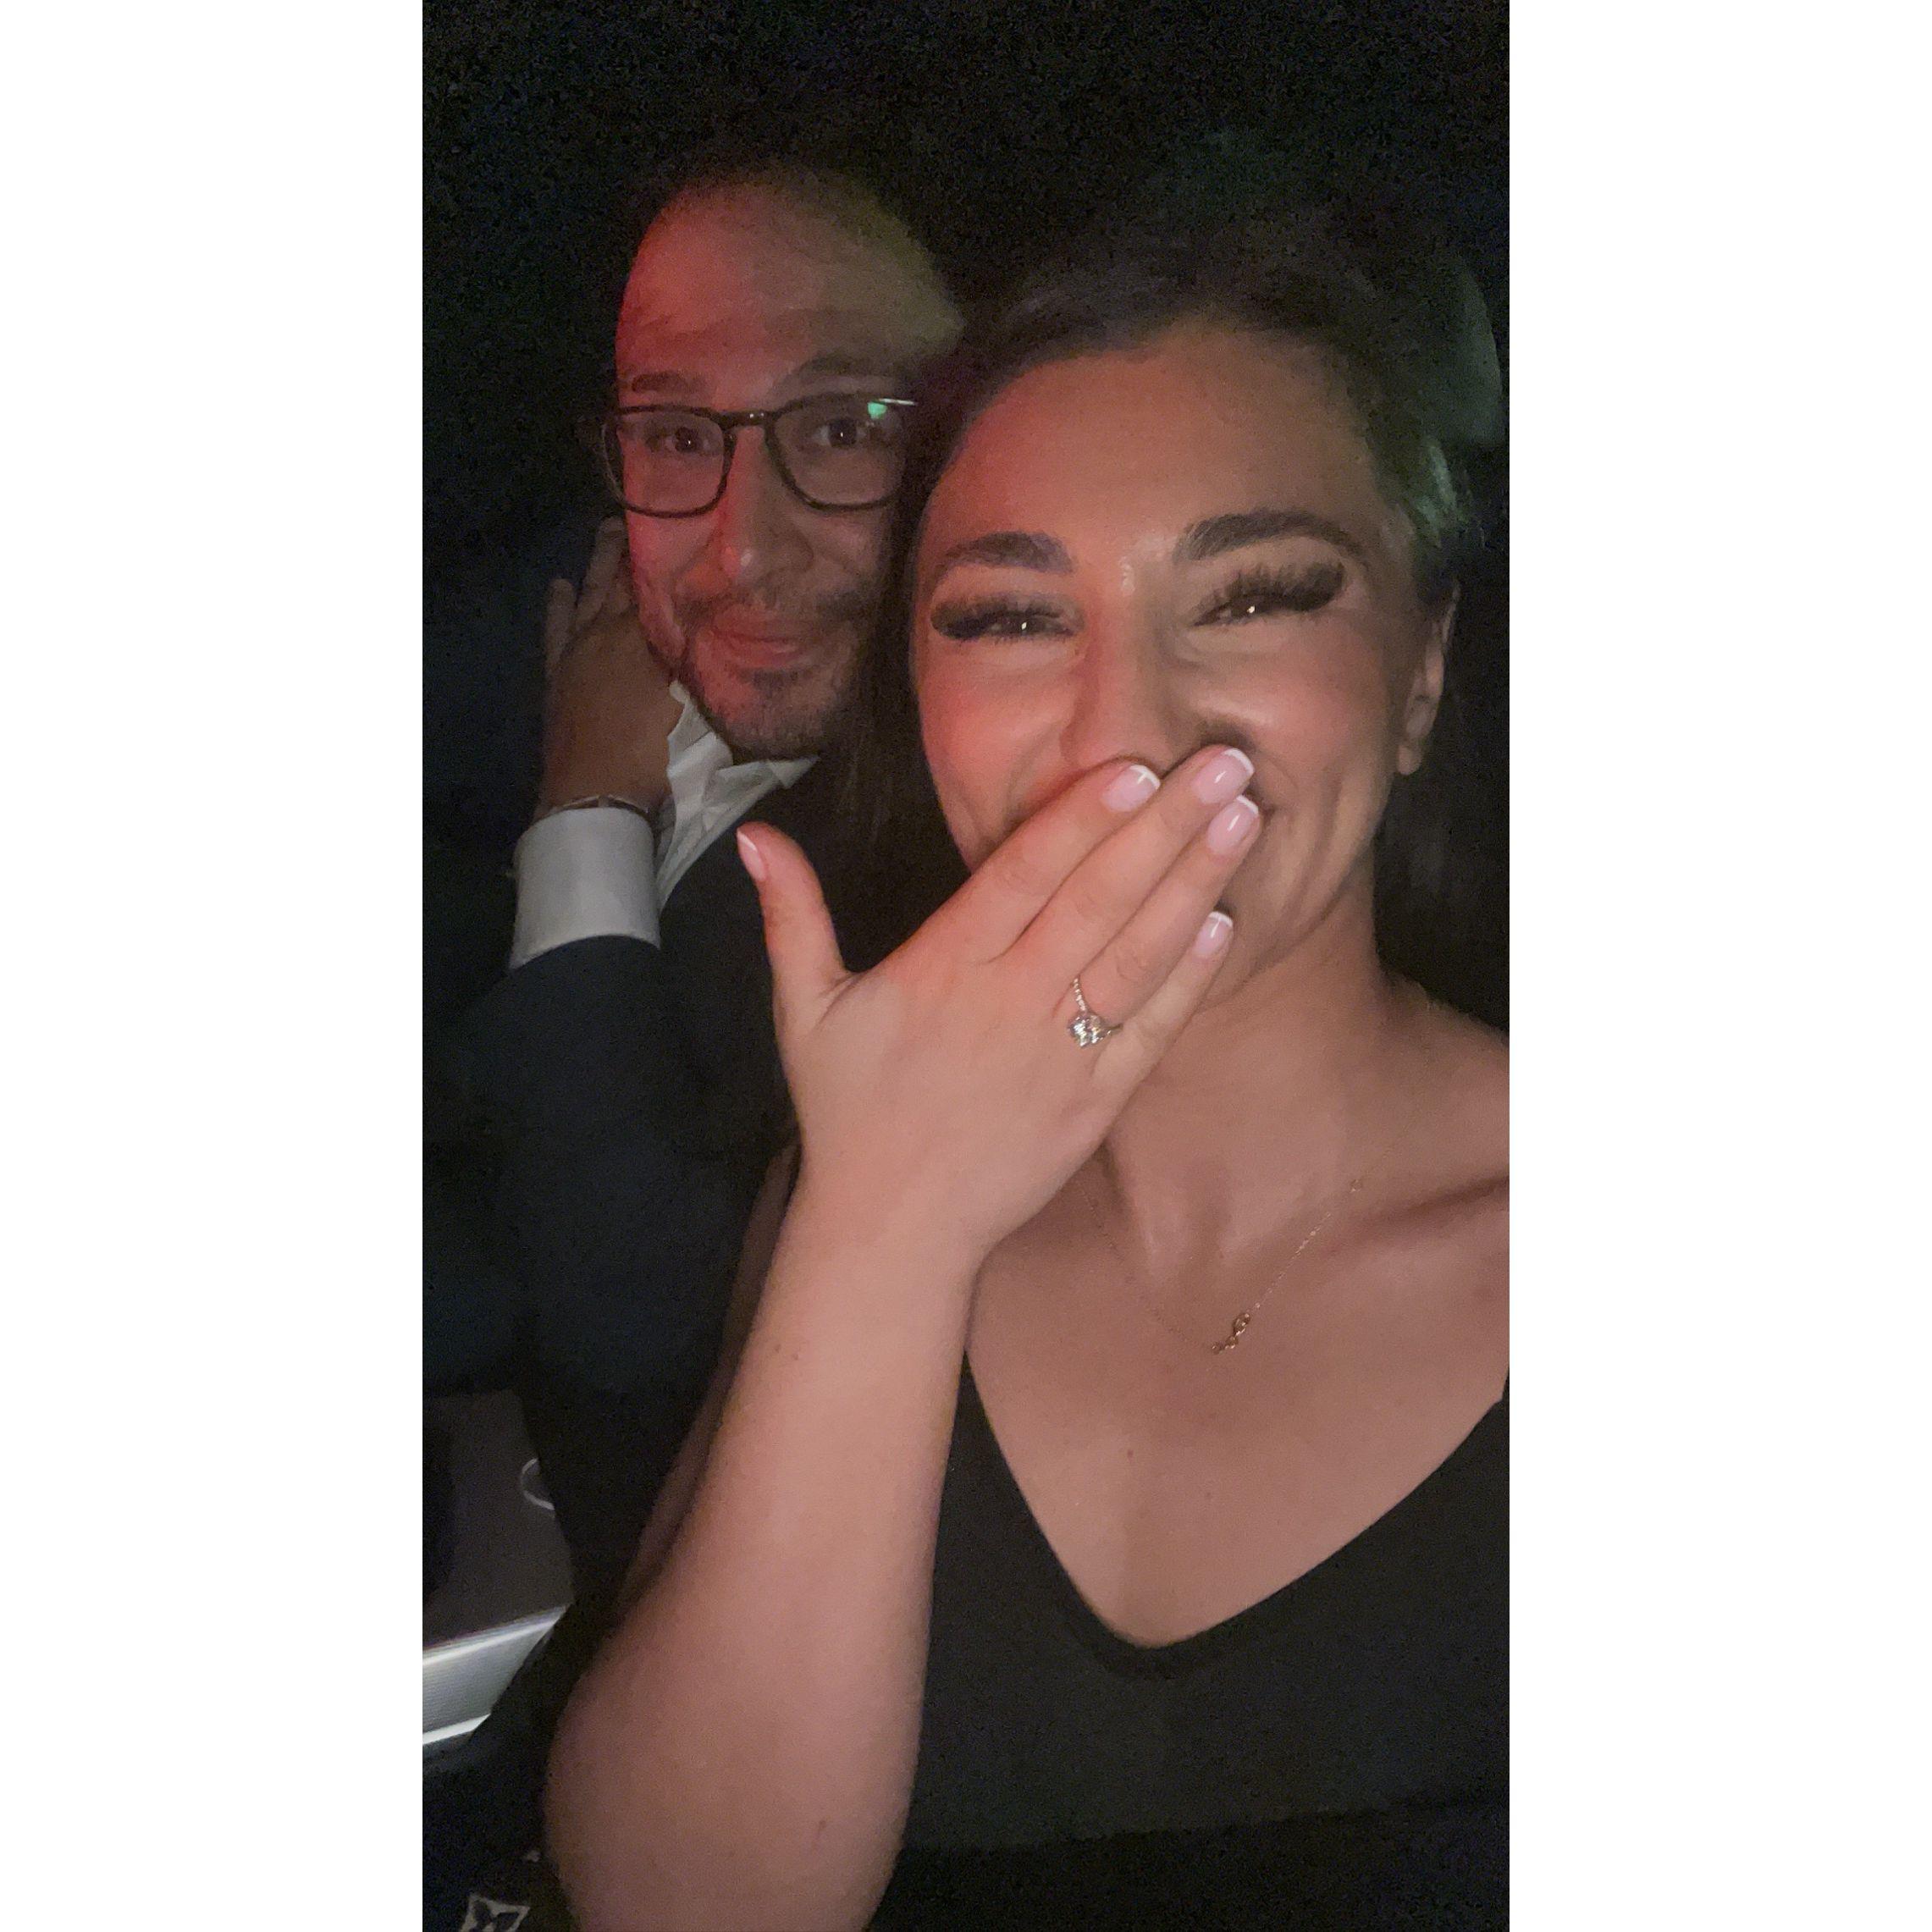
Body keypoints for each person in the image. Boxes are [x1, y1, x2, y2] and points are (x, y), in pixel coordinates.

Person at [545, 163, 1508, 1930]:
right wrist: (882, 1236)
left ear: (1423, 669)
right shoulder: (857, 1185)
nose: (1119, 736)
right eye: (1008, 616)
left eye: (1252, 596)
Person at [459, 153, 963, 1610]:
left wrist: (585, 804)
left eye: (844, 427)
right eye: (679, 433)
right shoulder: (600, 578)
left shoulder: (950, 856)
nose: (740, 551)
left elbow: (630, 1323)